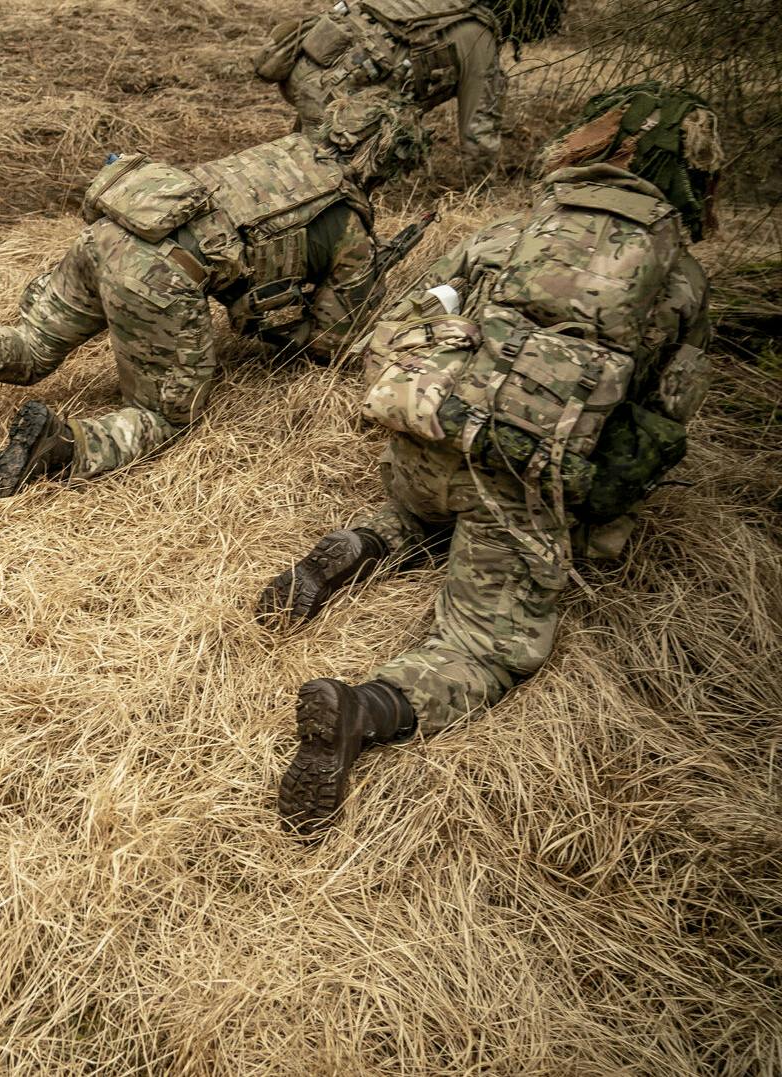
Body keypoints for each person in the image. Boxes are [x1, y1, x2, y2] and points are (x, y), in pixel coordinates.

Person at [258, 84, 722, 836]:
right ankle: (364, 709)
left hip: (423, 443)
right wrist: (590, 518)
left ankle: (357, 545)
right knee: (489, 646)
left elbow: (412, 319)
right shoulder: (681, 283)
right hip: (511, 478)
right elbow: (660, 424)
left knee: (428, 511)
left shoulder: (510, 232)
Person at [0, 90, 429, 499]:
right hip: (161, 276)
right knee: (163, 415)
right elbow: (330, 342)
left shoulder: (283, 152)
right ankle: (60, 444)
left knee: (34, 342)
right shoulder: (351, 226)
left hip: (110, 235)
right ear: (389, 161)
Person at [251, 0, 564, 178]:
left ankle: (292, 157)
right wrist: (483, 190)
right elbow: (478, 133)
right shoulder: (477, 35)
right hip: (336, 102)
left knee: (298, 158)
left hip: (299, 68)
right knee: (320, 184)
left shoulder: (436, 6)